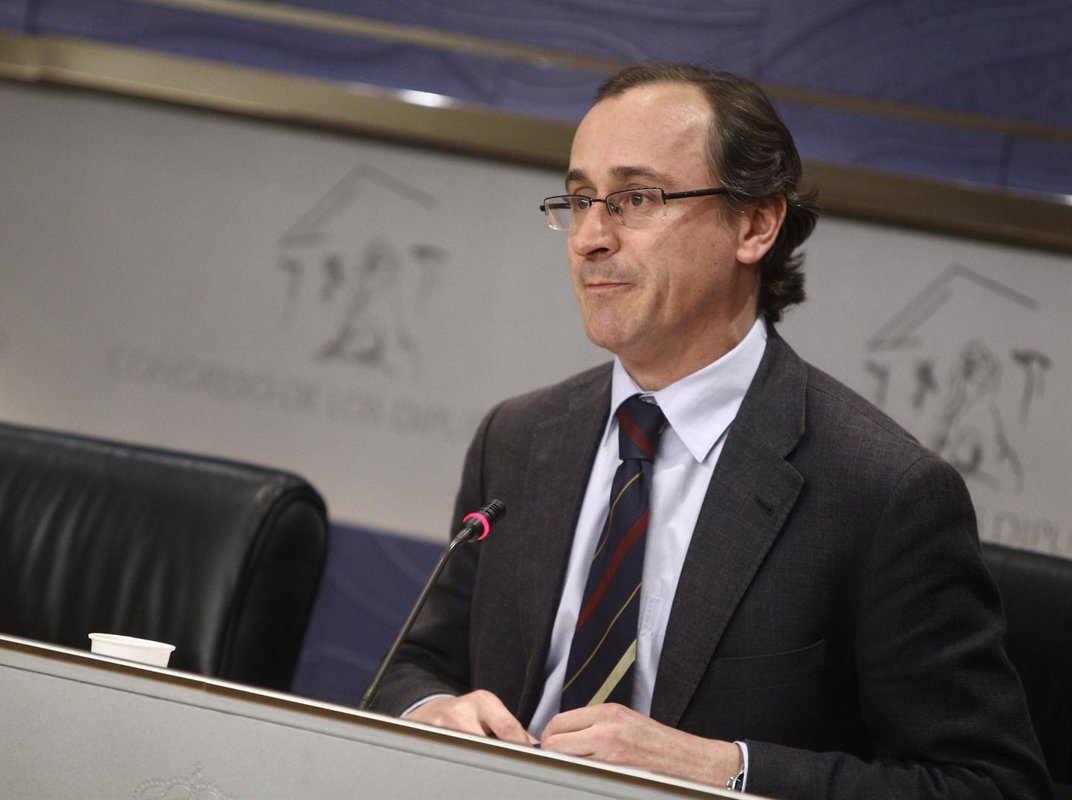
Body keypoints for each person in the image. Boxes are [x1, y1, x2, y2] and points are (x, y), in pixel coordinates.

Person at [368, 63, 1052, 798]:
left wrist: (726, 770)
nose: (590, 237)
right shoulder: (519, 437)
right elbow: (415, 665)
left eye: (636, 199)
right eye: (580, 199)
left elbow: (988, 785)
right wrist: (431, 711)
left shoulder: (882, 492)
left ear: (754, 225)